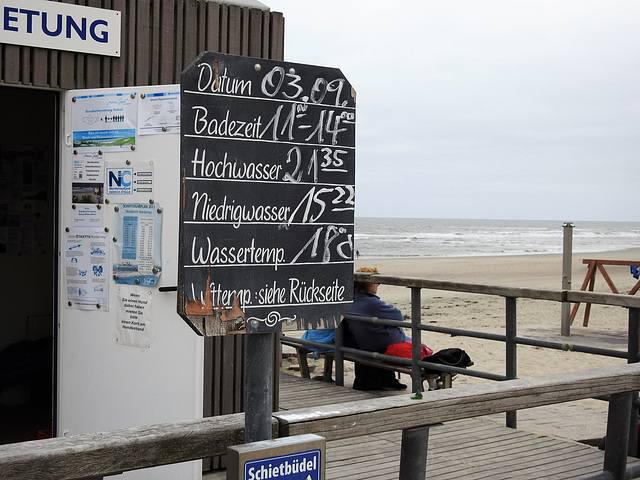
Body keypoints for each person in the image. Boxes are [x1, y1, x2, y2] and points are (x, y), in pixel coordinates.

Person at [344, 267, 417, 391]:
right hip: (381, 344)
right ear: (370, 284)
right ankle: (390, 380)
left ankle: (388, 379)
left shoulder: (352, 300)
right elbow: (398, 316)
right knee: (417, 346)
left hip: (364, 342)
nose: (378, 285)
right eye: (377, 282)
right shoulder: (373, 304)